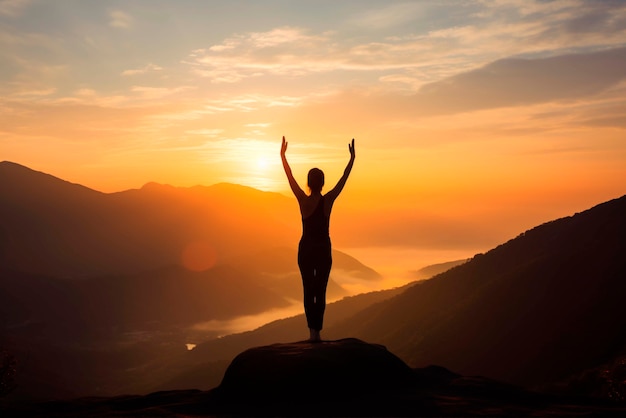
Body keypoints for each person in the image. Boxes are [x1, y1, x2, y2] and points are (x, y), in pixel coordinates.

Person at [280, 136, 356, 342]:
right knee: (320, 289)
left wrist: (283, 157)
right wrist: (352, 159)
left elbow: (290, 178)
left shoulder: (303, 201)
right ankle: (318, 332)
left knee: (308, 288)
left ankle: (311, 332)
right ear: (322, 183)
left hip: (306, 249)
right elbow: (343, 180)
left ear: (309, 182)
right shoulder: (328, 200)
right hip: (323, 249)